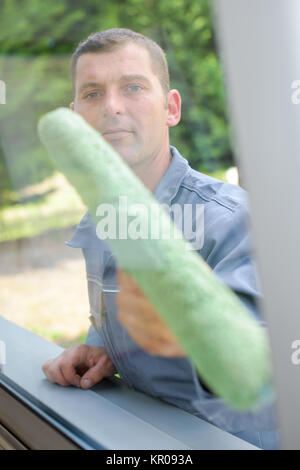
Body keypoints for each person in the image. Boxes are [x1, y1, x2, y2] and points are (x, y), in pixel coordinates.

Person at [42, 28, 279, 449]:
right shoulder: (100, 220)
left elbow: (268, 370)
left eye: (133, 87)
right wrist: (103, 347)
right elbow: (114, 315)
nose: (112, 107)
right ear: (76, 116)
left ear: (171, 108)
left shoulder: (235, 221)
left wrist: (189, 337)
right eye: (93, 94)